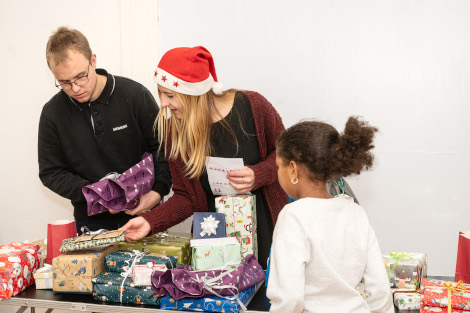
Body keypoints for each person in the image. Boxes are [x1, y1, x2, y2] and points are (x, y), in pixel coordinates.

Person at [120, 46, 289, 269]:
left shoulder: (253, 106)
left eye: (170, 95)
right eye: (160, 93)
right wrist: (149, 222)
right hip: (213, 247)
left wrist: (259, 174)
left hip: (266, 234)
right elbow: (187, 197)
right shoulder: (174, 131)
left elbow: (287, 156)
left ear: (194, 94)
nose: (162, 103)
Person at [38, 26, 172, 234]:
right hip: (91, 224)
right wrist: (97, 194)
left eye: (81, 76)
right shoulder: (52, 113)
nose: (75, 88)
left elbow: (164, 148)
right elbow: (51, 172)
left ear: (93, 60)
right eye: (64, 82)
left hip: (146, 216)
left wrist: (157, 191)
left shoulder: (135, 96)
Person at [267, 117, 393, 313]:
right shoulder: (355, 212)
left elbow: (289, 300)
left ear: (292, 169)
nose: (277, 173)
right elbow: (380, 292)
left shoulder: (293, 216)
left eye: (278, 166)